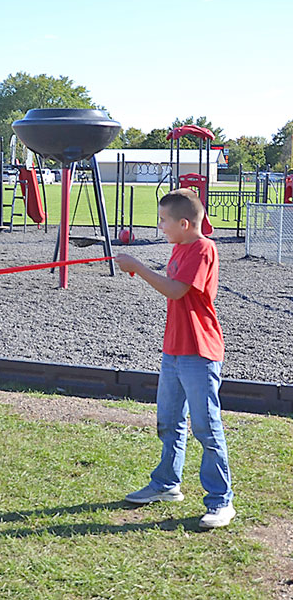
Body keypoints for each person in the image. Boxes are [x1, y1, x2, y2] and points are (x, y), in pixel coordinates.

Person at [114, 189, 235, 529]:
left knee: (206, 427)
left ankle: (220, 502)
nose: (160, 226)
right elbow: (174, 286)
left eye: (164, 220)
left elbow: (176, 289)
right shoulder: (180, 248)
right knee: (169, 421)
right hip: (175, 350)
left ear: (184, 223)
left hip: (200, 351)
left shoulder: (203, 248)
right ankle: (167, 484)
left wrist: (137, 266)